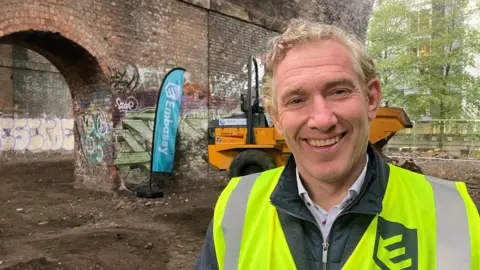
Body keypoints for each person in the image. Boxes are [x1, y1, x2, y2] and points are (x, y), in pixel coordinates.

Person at [195, 19, 479, 270]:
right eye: (296, 100)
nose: (322, 119)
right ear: (276, 117)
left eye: (339, 91)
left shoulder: (452, 215)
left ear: (371, 98)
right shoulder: (235, 208)